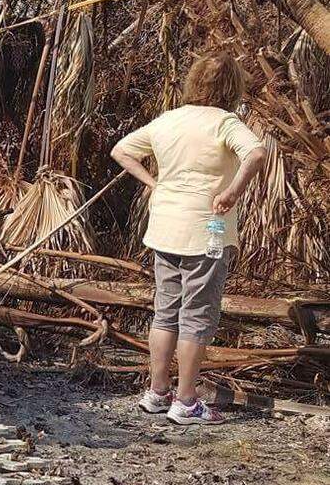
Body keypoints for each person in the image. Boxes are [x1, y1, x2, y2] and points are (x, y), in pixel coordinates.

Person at [111, 53, 266, 425]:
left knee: (165, 312)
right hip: (206, 230)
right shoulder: (225, 122)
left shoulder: (168, 120)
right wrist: (232, 191)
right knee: (196, 315)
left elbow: (121, 150)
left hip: (165, 227)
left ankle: (157, 392)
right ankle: (186, 401)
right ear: (232, 88)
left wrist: (154, 183)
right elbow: (257, 152)